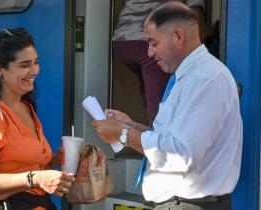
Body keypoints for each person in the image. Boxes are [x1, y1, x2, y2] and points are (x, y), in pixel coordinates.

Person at [93, 2, 242, 210]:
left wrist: (124, 134)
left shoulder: (204, 79)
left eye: (154, 43)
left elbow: (181, 155)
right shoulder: (189, 77)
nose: (150, 53)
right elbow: (172, 140)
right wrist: (133, 126)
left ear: (178, 36)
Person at [0, 28, 75, 210]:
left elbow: (22, 166)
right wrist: (35, 178)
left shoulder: (27, 107)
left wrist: (54, 162)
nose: (35, 71)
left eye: (36, 63)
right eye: (24, 65)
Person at [112, 0, 205, 124]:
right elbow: (195, 13)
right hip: (145, 38)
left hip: (122, 39)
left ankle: (152, 133)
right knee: (159, 113)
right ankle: (155, 134)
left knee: (153, 99)